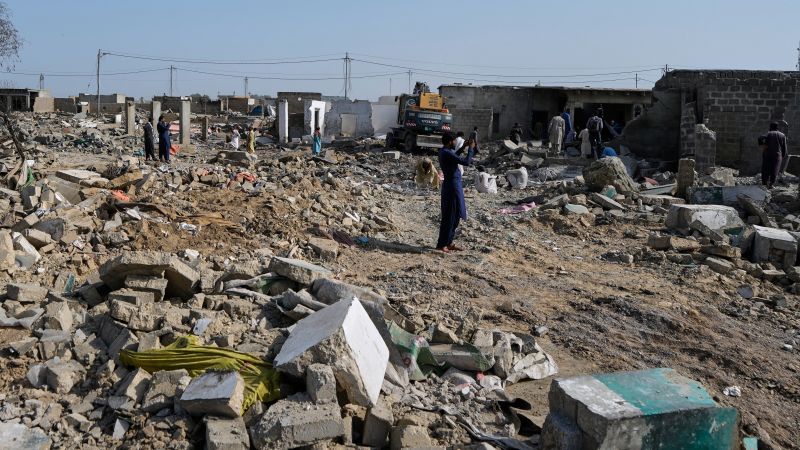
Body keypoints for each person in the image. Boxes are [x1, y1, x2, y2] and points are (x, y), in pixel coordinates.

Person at [436, 132, 474, 253]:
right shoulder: (446, 152)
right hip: (452, 187)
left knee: (456, 215)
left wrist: (463, 147)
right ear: (449, 142)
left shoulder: (445, 151)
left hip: (454, 186)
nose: (455, 143)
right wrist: (471, 149)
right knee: (449, 216)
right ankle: (442, 244)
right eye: (454, 141)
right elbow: (466, 162)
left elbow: (454, 157)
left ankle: (449, 242)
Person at [762, 122, 787, 188]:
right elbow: (784, 148)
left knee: (766, 169)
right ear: (777, 128)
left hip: (767, 154)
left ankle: (764, 184)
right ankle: (771, 184)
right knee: (775, 169)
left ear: (770, 127)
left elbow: (760, 138)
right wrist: (782, 156)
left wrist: (762, 146)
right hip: (777, 155)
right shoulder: (782, 135)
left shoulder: (768, 133)